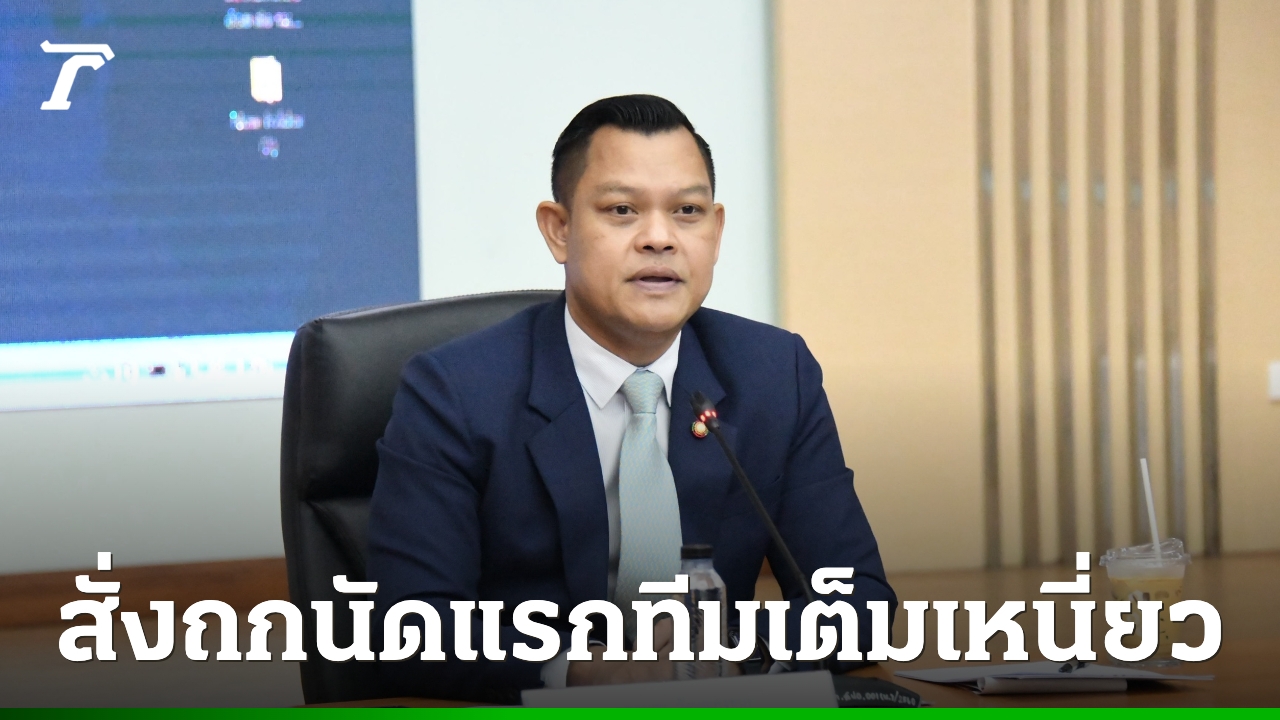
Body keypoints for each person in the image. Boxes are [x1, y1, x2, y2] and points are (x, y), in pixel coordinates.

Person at [368, 94, 896, 703]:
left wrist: (729, 652)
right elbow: (412, 631)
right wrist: (585, 672)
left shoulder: (775, 373)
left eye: (687, 211)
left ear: (716, 232)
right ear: (559, 229)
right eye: (622, 210)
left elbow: (858, 604)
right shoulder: (455, 391)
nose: (659, 239)